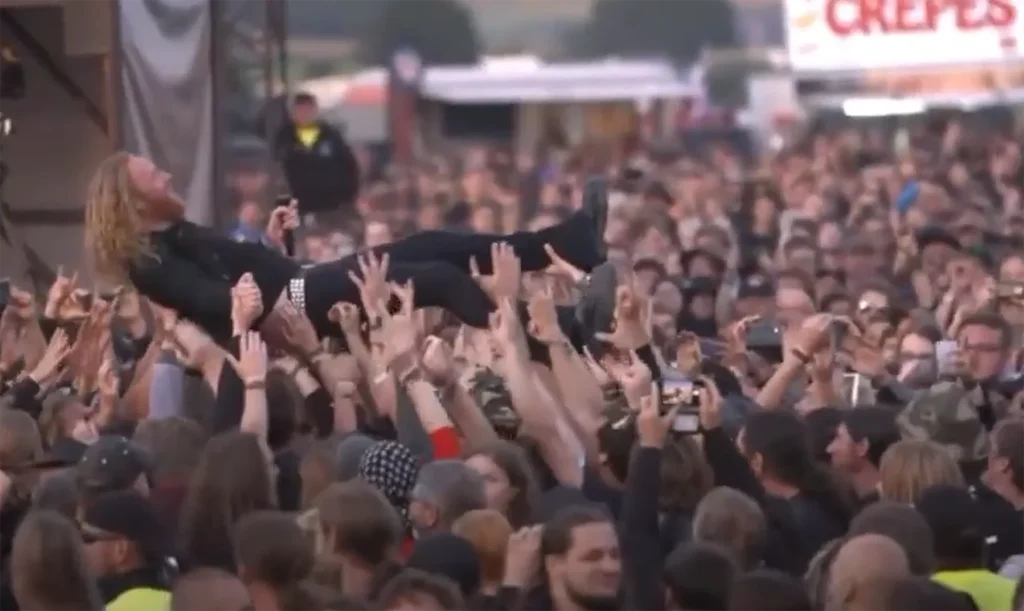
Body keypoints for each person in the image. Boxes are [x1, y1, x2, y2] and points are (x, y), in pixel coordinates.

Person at [83, 152, 607, 347]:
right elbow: (213, 300)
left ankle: (571, 243)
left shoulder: (171, 235)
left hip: (299, 279)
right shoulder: (145, 260)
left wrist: (268, 245)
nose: (168, 174)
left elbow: (231, 272)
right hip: (296, 301)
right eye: (155, 175)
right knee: (440, 281)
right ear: (134, 199)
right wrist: (256, 281)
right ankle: (556, 338)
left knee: (439, 245)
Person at [274, 92, 360, 224]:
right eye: (300, 110)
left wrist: (349, 196)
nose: (304, 114)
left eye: (308, 109)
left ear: (315, 110)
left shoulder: (330, 135)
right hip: (298, 207)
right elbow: (277, 165)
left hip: (332, 206)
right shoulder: (285, 138)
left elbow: (349, 166)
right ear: (293, 113)